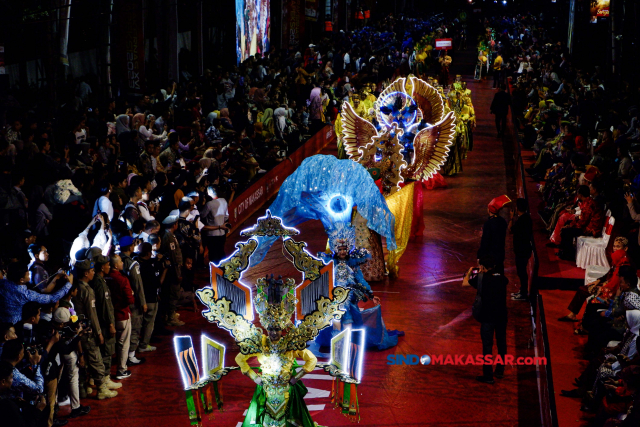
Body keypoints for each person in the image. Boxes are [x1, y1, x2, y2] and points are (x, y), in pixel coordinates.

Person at [71, 259, 118, 400]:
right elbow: (92, 314)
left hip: (77, 330)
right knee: (96, 359)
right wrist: (98, 332)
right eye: (91, 271)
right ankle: (101, 388)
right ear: (86, 273)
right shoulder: (87, 290)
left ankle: (84, 388)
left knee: (82, 360)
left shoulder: (75, 287)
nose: (93, 273)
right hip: (88, 331)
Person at [559, 237, 631, 323]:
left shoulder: (624, 263)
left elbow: (617, 283)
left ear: (625, 248)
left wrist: (602, 288)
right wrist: (598, 280)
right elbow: (609, 273)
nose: (615, 248)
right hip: (606, 284)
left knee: (590, 300)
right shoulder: (616, 258)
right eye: (614, 246)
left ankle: (585, 325)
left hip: (612, 291)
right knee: (583, 289)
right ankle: (572, 315)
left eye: (618, 246)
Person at [463, 255, 509, 384]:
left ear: (482, 267)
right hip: (501, 315)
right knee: (502, 343)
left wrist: (470, 271)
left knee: (487, 346)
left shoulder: (481, 278)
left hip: (487, 316)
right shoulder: (501, 278)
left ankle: (488, 375)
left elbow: (465, 282)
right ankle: (500, 370)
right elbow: (505, 281)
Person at [0, 263, 71, 324]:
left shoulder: (2, 283)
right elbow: (52, 298)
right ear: (21, 280)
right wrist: (69, 284)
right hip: (15, 325)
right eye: (28, 274)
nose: (30, 275)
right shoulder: (26, 294)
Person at [116, 236, 146, 366]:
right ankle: (131, 356)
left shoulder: (115, 260)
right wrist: (143, 302)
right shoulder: (132, 264)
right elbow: (138, 285)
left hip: (118, 301)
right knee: (135, 327)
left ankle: (122, 355)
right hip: (132, 301)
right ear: (130, 247)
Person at [105, 255, 135, 380]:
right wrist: (132, 294)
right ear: (116, 265)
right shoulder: (122, 279)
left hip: (109, 316)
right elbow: (130, 299)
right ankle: (121, 370)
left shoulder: (105, 278)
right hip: (122, 314)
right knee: (123, 344)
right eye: (121, 261)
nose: (123, 263)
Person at [557, 185, 605, 261]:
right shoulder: (587, 202)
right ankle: (564, 251)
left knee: (566, 231)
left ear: (580, 195)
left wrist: (570, 226)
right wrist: (570, 224)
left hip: (591, 230)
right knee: (567, 223)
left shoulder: (589, 204)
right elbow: (582, 219)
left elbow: (583, 222)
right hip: (587, 226)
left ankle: (568, 254)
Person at [136, 243, 165, 353]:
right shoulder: (149, 267)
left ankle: (136, 343)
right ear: (148, 253)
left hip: (139, 298)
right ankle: (143, 345)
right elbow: (158, 283)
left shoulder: (136, 263)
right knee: (149, 323)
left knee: (139, 324)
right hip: (150, 299)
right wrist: (165, 269)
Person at [0, 359, 47, 426]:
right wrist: (38, 410)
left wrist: (15, 402)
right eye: (11, 378)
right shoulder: (8, 406)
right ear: (3, 382)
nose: (12, 380)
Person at [160, 215, 184, 326]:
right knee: (174, 294)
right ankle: (171, 317)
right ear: (174, 225)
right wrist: (177, 273)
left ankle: (170, 313)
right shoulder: (169, 237)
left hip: (174, 269)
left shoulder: (170, 236)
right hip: (173, 272)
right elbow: (173, 256)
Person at [477, 196, 510, 275]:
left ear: (489, 210)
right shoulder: (502, 221)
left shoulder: (488, 224)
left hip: (490, 255)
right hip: (500, 253)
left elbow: (485, 242)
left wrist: (479, 256)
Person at [510, 198, 533, 301]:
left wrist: (511, 218)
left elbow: (510, 229)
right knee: (522, 272)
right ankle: (522, 290)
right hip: (525, 249)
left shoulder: (521, 221)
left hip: (521, 250)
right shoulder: (527, 218)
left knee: (521, 272)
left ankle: (523, 293)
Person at [200, 186, 229, 265]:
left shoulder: (209, 204)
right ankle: (223, 272)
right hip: (222, 233)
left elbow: (202, 215)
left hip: (212, 234)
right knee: (221, 252)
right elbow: (226, 216)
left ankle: (214, 274)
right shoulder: (224, 201)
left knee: (213, 255)